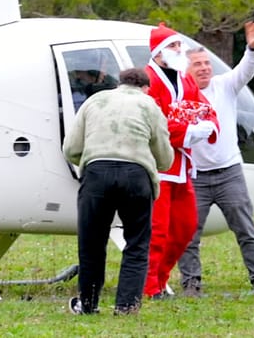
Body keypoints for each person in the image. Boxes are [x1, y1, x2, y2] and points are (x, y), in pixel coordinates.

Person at [178, 21, 254, 297]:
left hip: (228, 173)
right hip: (196, 176)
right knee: (189, 235)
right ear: (185, 70)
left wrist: (252, 48)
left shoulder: (224, 85)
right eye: (197, 64)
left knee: (246, 230)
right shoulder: (180, 94)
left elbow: (245, 71)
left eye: (206, 63)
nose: (204, 68)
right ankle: (191, 284)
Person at [62, 68, 174, 315]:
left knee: (92, 243)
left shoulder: (95, 100)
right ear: (145, 88)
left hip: (96, 173)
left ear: (119, 83)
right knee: (136, 242)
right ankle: (126, 306)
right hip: (136, 176)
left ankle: (88, 304)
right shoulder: (149, 105)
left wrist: (92, 159)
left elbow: (70, 148)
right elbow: (165, 157)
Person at [143, 22, 220, 299]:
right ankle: (150, 286)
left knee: (185, 227)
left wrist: (209, 125)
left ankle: (160, 280)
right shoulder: (147, 80)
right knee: (158, 230)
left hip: (183, 166)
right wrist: (187, 132)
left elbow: (203, 107)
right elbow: (152, 124)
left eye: (179, 44)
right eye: (174, 46)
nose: (180, 49)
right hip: (158, 166)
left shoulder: (184, 77)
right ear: (159, 52)